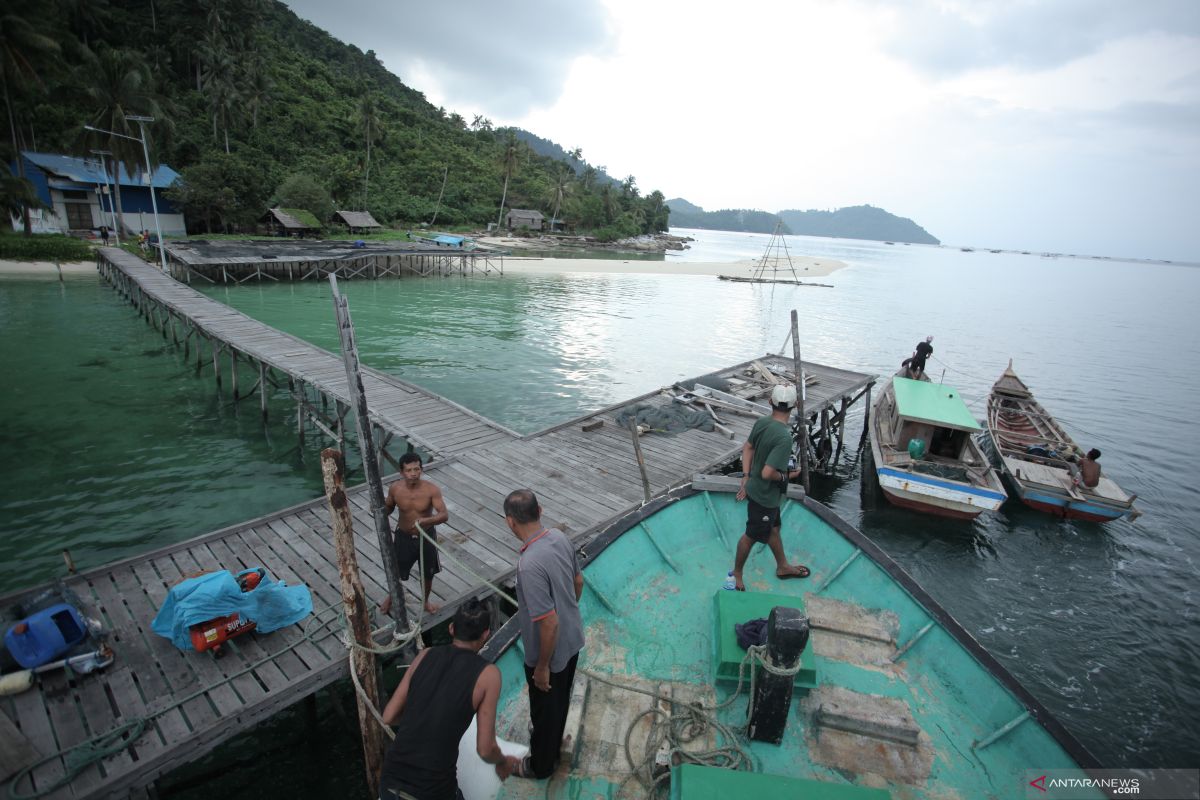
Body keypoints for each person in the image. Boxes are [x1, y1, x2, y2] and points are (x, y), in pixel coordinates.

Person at [378, 597, 512, 800]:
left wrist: (422, 719)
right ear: (485, 635)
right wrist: (502, 761)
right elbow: (485, 749)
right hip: (432, 790)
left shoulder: (424, 655)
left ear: (451, 629)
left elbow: (388, 716)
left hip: (390, 782)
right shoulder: (488, 675)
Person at [502, 489, 584, 780]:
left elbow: (548, 624)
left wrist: (541, 666)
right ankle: (552, 735)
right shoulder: (560, 538)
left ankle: (541, 765)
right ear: (541, 510)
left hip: (551, 652)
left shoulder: (528, 565)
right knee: (560, 698)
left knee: (545, 707)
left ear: (510, 522)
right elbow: (577, 580)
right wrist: (569, 610)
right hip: (574, 637)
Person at [733, 384, 811, 591]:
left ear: (770, 402)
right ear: (795, 405)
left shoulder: (762, 422)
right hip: (764, 497)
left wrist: (746, 475)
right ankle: (738, 573)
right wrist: (787, 475)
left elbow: (748, 447)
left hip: (760, 491)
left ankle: (783, 566)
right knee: (750, 536)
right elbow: (768, 473)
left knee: (774, 529)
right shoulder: (784, 437)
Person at [382, 452, 449, 615]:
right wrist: (380, 510)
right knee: (396, 569)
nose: (413, 473)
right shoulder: (395, 488)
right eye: (409, 470)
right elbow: (389, 508)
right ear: (401, 472)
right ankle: (391, 596)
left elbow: (444, 515)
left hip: (425, 537)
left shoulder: (431, 490)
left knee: (428, 572)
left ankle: (425, 602)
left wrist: (426, 521)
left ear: (421, 469)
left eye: (417, 469)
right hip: (403, 536)